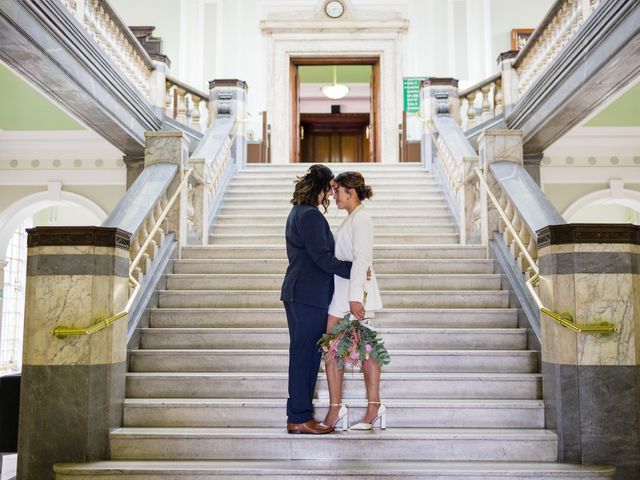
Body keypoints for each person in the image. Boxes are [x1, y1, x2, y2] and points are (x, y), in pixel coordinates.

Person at [281, 164, 353, 435]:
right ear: (321, 189)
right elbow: (322, 258)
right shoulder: (310, 215)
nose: (330, 195)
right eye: (329, 189)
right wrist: (353, 270)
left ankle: (298, 415)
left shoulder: (297, 212)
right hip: (307, 295)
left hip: (299, 292)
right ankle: (299, 417)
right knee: (305, 356)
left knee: (304, 354)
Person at [320, 171, 385, 431]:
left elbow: (362, 259)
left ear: (351, 191)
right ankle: (335, 408)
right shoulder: (351, 219)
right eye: (333, 191)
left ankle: (374, 407)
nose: (333, 195)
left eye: (337, 191)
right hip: (341, 294)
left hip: (356, 296)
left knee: (367, 351)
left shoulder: (362, 218)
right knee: (331, 349)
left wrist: (356, 298)